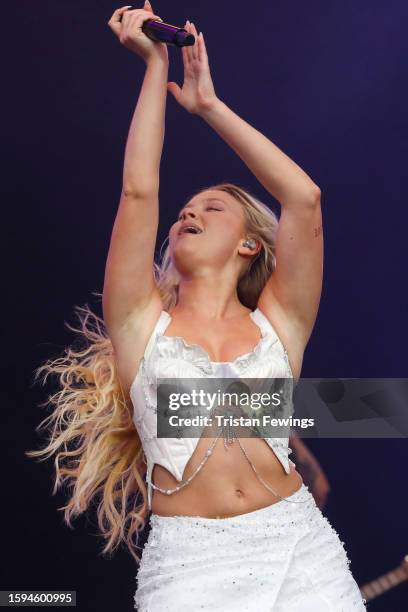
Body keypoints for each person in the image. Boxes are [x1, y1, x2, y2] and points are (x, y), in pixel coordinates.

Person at [26, 2, 366, 610]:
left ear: (248, 244)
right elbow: (139, 188)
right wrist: (154, 68)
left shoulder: (279, 321)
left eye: (213, 208)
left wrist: (209, 107)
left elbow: (304, 198)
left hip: (300, 551)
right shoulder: (140, 324)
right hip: (190, 562)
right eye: (187, 209)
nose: (189, 213)